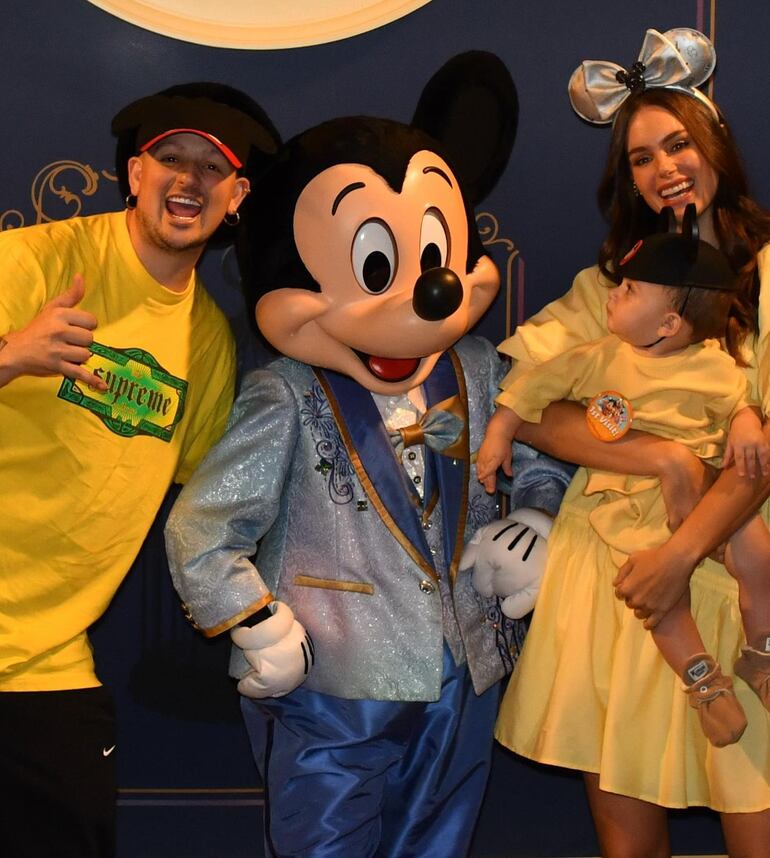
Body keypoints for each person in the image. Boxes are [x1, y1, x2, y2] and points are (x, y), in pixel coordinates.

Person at [492, 28, 770, 858]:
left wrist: (683, 552)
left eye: (677, 144)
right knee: (627, 839)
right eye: (642, 156)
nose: (664, 169)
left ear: (715, 144)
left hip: (736, 580)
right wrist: (660, 457)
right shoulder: (609, 287)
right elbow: (533, 407)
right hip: (614, 575)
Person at [0, 82, 279, 858]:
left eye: (212, 168)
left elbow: (213, 502)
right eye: (169, 158)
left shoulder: (208, 342)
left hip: (48, 661)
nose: (187, 181)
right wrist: (13, 356)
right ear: (133, 172)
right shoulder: (34, 260)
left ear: (237, 196)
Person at [478, 210, 770, 748]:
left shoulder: (711, 363)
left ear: (668, 325)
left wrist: (748, 421)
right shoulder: (599, 359)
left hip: (707, 499)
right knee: (658, 592)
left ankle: (763, 653)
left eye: (631, 292)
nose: (613, 297)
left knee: (759, 556)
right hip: (629, 501)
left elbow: (742, 400)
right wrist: (499, 431)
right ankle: (704, 683)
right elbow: (532, 389)